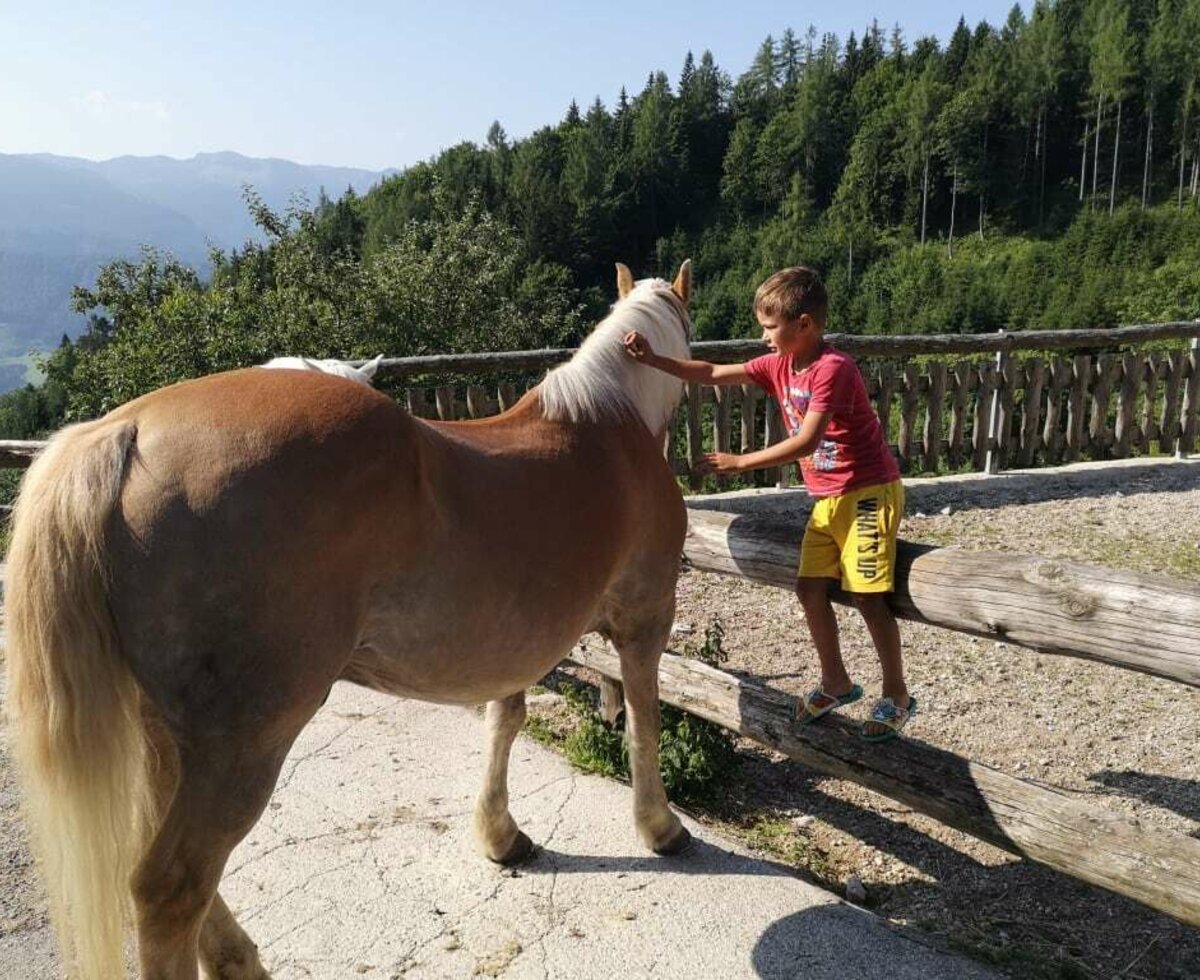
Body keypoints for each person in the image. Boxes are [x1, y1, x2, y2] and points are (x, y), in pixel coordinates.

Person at [623, 266, 914, 741]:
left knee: (867, 594)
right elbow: (713, 372)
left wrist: (741, 463)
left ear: (805, 325)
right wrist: (654, 359)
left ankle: (897, 694)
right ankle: (836, 681)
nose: (763, 337)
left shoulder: (833, 369)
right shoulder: (781, 364)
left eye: (770, 327)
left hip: (867, 492)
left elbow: (806, 440)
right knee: (809, 588)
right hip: (826, 497)